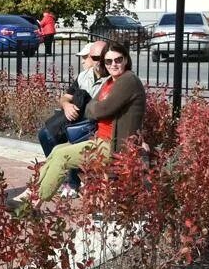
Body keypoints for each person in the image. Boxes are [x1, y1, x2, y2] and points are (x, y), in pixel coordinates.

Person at [35, 41, 146, 203]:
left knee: (61, 156)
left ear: (126, 60)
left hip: (114, 145)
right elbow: (91, 107)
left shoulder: (128, 80)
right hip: (98, 139)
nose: (113, 64)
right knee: (56, 150)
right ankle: (36, 195)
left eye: (118, 60)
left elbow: (101, 109)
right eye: (108, 61)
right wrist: (95, 107)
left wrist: (96, 107)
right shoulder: (110, 82)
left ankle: (36, 199)